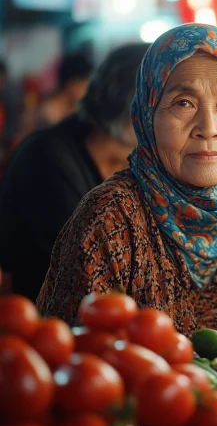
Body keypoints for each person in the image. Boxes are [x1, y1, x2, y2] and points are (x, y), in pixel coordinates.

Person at [37, 24, 217, 334]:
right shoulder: (110, 219)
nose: (208, 127)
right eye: (183, 103)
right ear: (146, 115)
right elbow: (78, 364)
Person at [0, 44, 147, 301]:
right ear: (134, 110)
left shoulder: (135, 163)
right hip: (46, 321)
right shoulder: (47, 158)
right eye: (176, 103)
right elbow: (84, 269)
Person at [39, 52, 93, 126]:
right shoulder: (47, 114)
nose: (87, 91)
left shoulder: (76, 109)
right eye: (84, 84)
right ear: (71, 84)